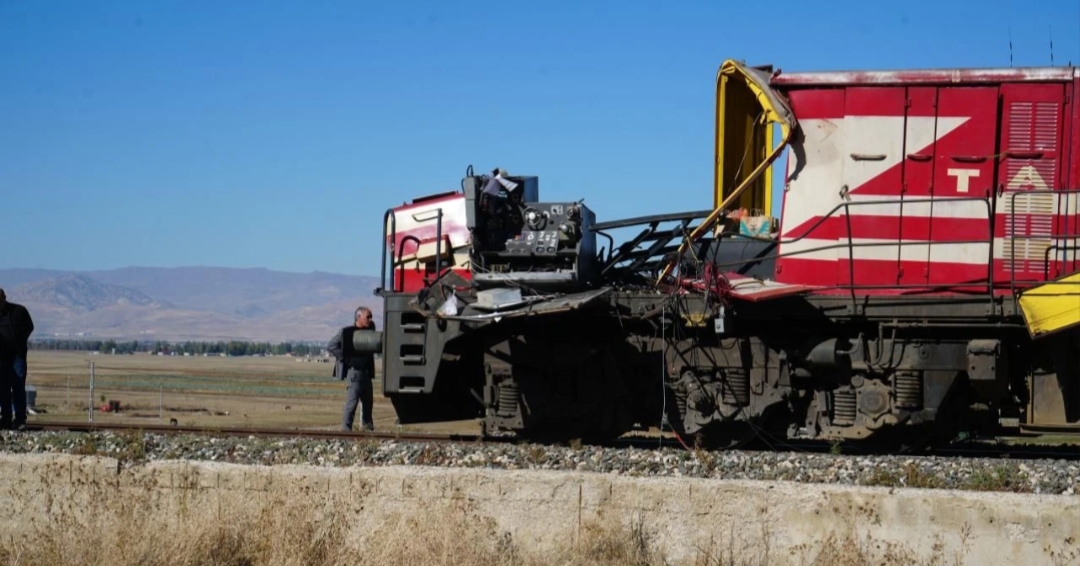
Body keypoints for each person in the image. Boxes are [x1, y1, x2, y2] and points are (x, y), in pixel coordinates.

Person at [327, 306, 375, 431]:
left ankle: (367, 432)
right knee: (351, 405)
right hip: (354, 374)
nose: (370, 320)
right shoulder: (347, 332)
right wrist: (345, 358)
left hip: (366, 373)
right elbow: (331, 346)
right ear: (358, 317)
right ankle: (346, 433)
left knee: (368, 405)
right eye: (368, 317)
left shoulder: (369, 331)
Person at [0, 288, 34, 431]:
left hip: (17, 357)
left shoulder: (18, 311)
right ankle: (6, 419)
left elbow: (29, 327)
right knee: (3, 388)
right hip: (1, 358)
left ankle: (20, 419)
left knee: (18, 387)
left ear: (4, 298)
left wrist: (21, 340)